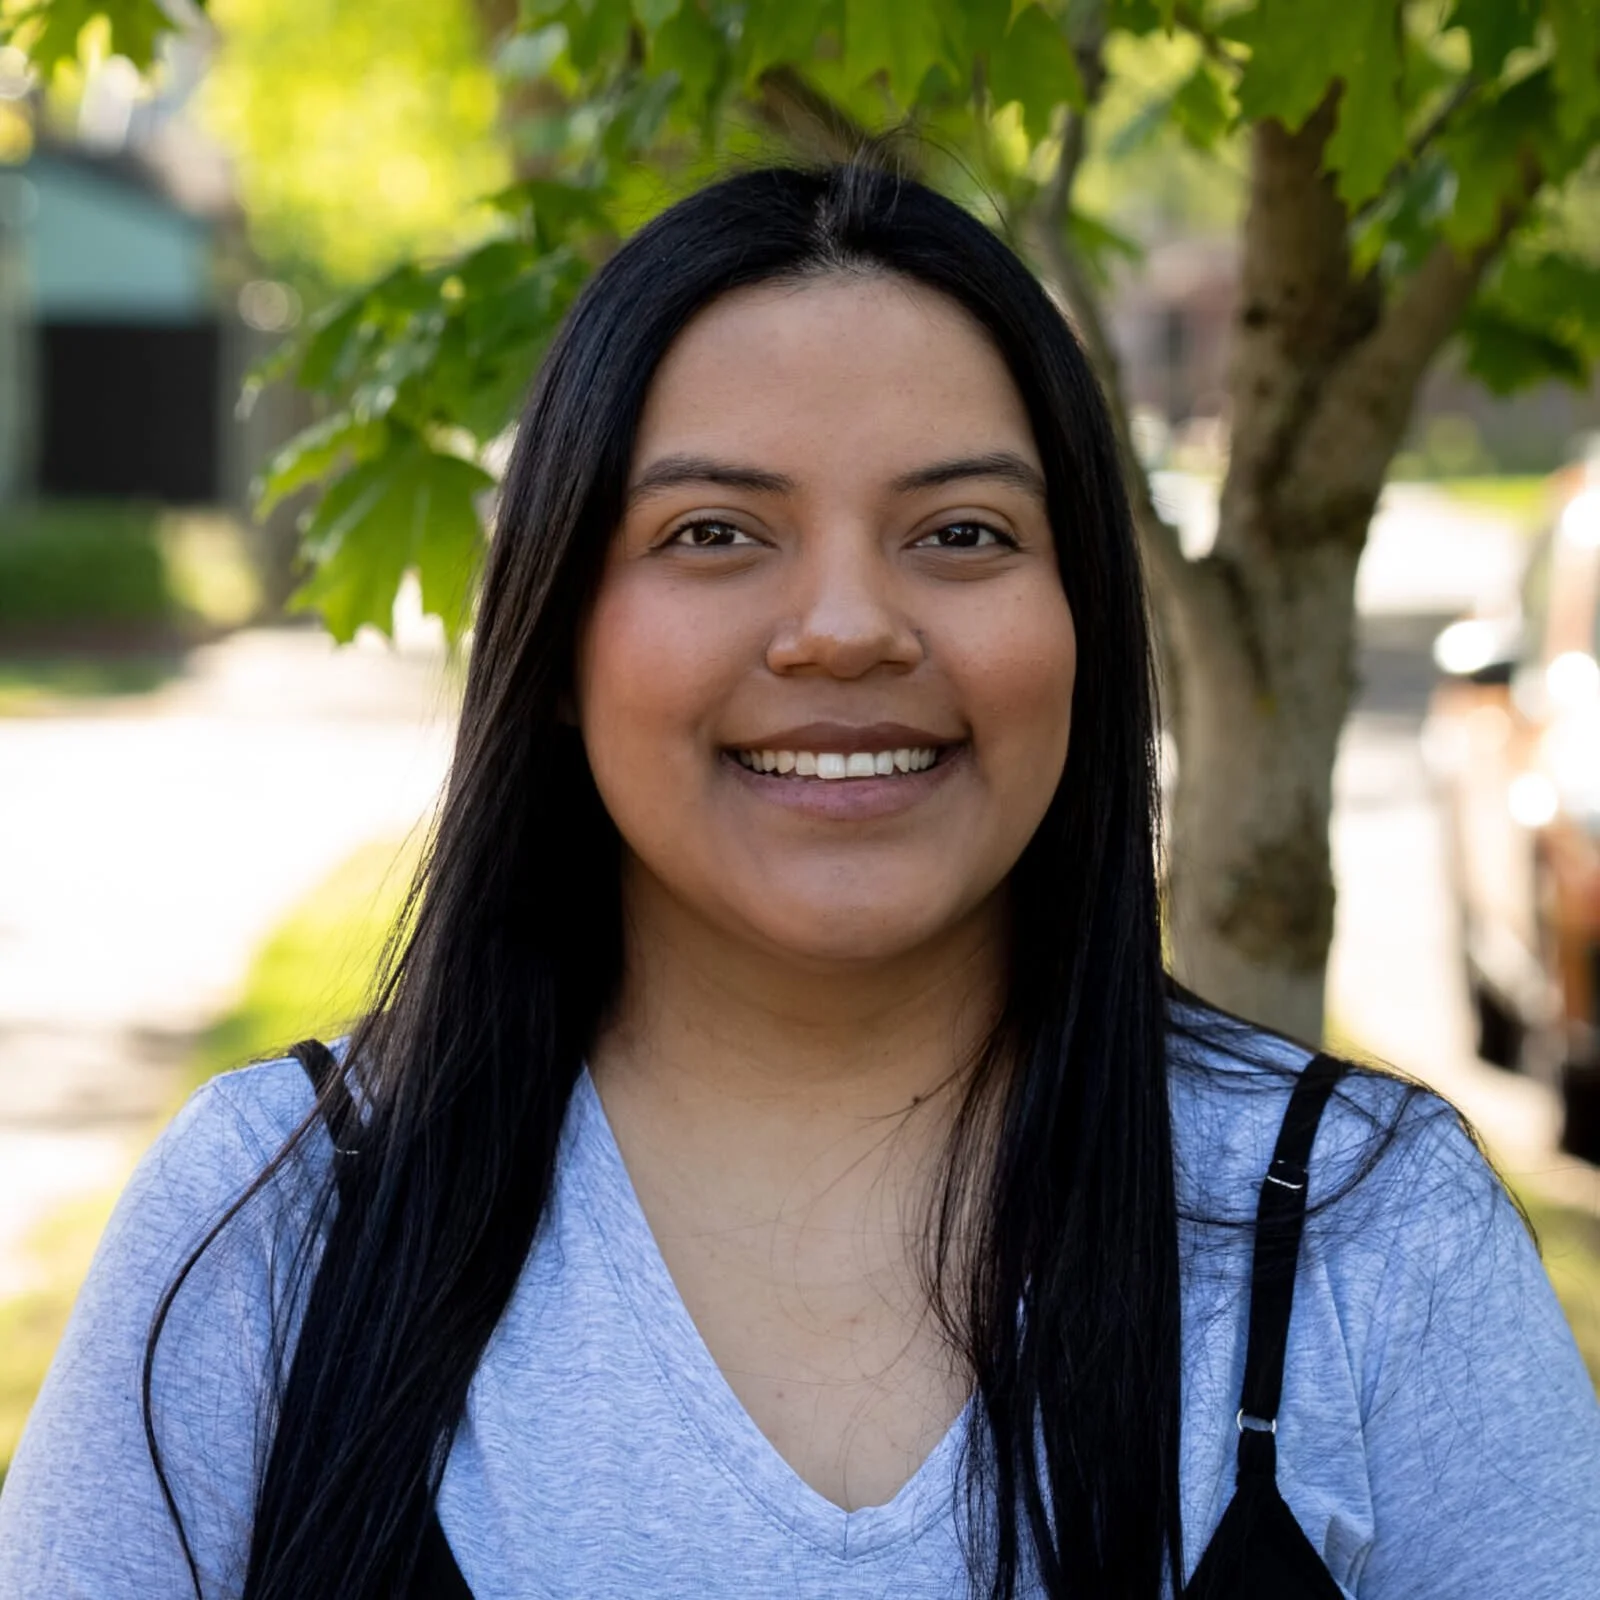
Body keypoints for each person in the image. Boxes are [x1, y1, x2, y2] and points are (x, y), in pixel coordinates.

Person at [0, 161, 1596, 1600]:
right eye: (713, 532)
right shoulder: (272, 1230)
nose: (846, 627)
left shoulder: (1362, 1232)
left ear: (1089, 630)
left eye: (963, 533)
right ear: (557, 636)